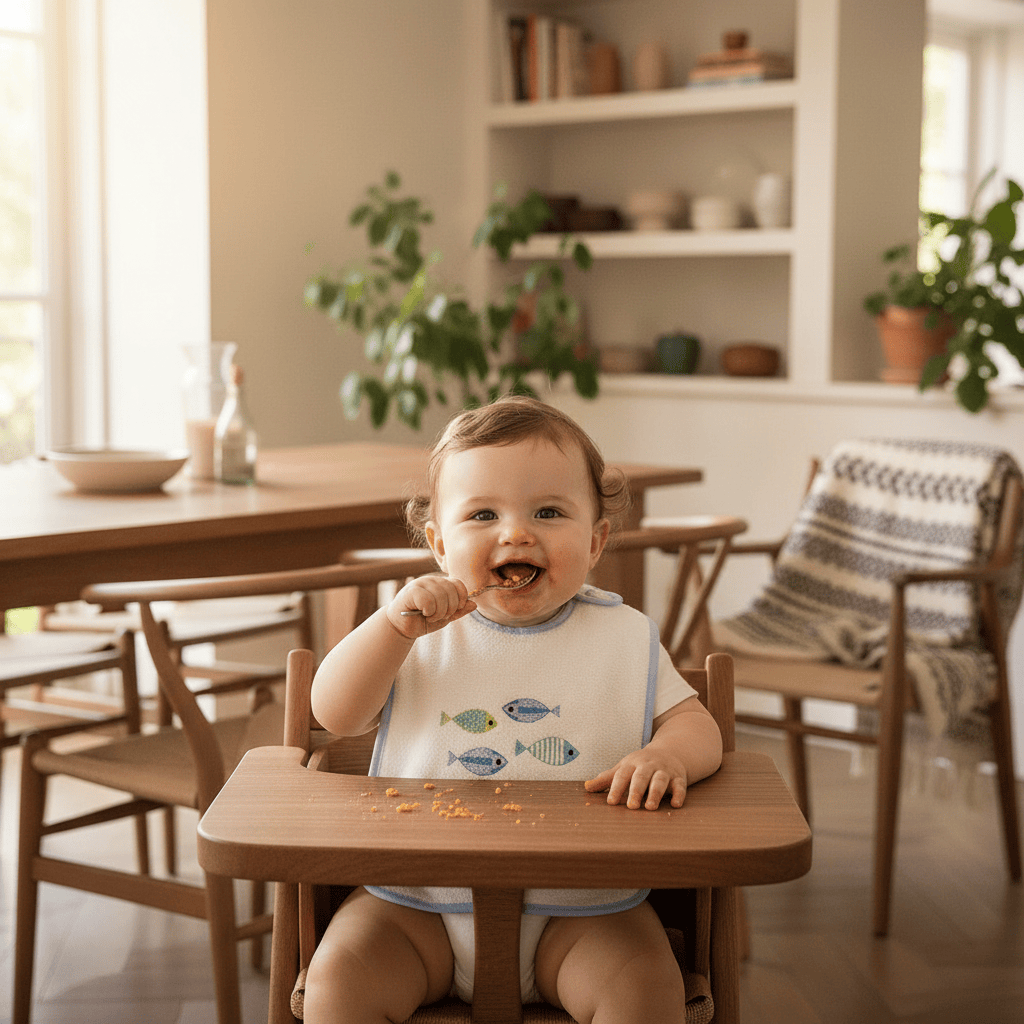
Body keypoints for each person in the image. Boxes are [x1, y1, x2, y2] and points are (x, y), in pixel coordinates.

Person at [306, 395, 723, 1024]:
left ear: (596, 540)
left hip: (582, 911)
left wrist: (668, 754)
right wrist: (390, 628)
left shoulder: (623, 637)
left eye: (549, 512)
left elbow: (696, 725)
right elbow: (333, 713)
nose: (516, 533)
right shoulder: (416, 631)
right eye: (482, 514)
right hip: (418, 908)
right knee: (339, 978)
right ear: (439, 544)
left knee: (643, 988)